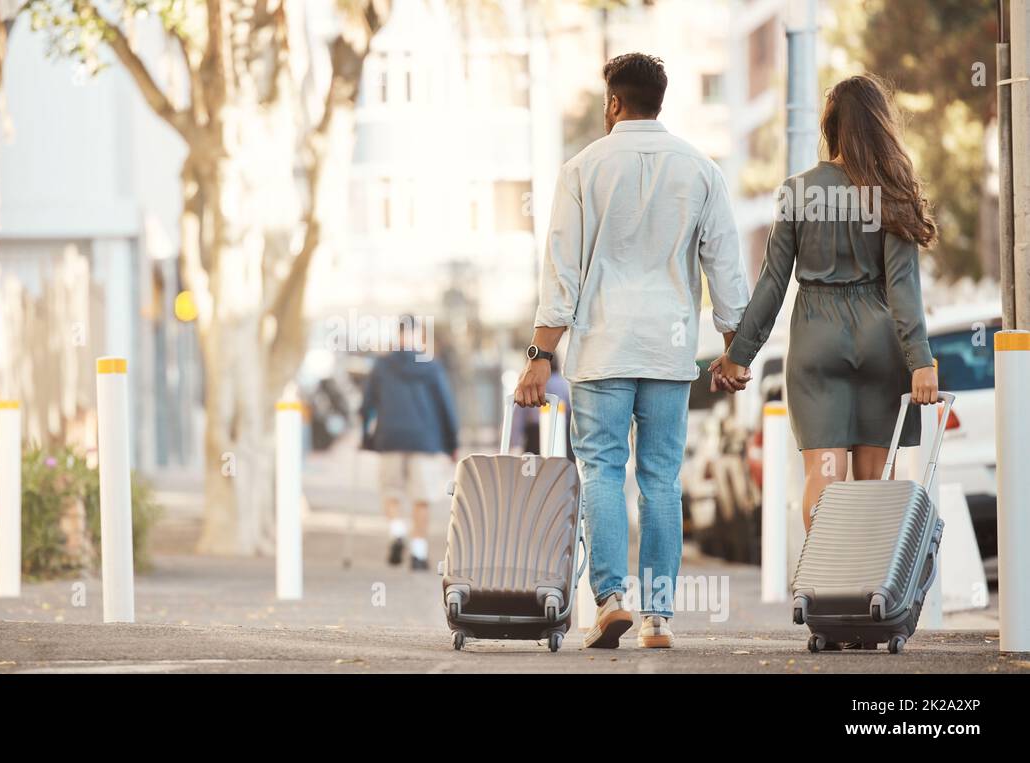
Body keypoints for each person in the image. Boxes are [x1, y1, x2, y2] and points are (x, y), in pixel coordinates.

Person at [515, 53, 750, 648]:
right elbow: (725, 266)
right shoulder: (701, 170)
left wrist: (540, 357)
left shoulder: (581, 169)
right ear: (660, 100)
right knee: (662, 480)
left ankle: (611, 599)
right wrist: (733, 349)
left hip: (602, 348)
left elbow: (561, 272)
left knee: (601, 469)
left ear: (615, 103)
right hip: (671, 352)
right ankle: (659, 619)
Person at [712, 74, 940, 532]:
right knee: (876, 483)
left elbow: (773, 283)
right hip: (880, 343)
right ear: (879, 126)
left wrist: (739, 355)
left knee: (825, 476)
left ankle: (824, 589)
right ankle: (871, 590)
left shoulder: (798, 191)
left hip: (817, 341)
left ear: (830, 127)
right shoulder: (892, 193)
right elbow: (902, 289)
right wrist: (921, 361)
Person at [361, 317, 458, 571]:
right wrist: (452, 443)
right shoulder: (431, 367)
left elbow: (367, 405)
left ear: (399, 335)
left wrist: (366, 437)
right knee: (421, 497)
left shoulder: (381, 365)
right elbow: (445, 407)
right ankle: (418, 553)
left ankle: (397, 531)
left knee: (391, 491)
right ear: (418, 337)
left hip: (390, 437)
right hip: (425, 440)